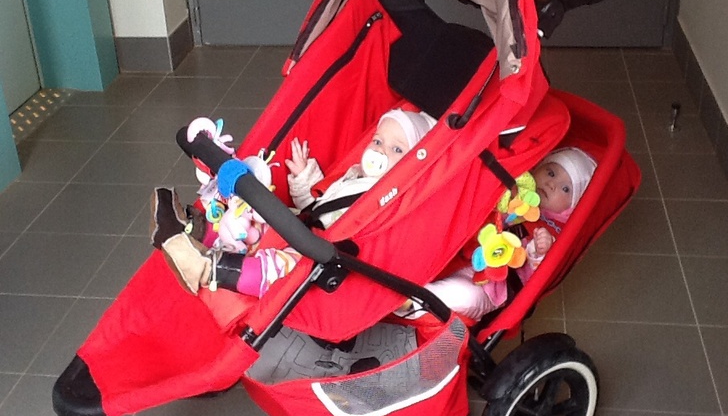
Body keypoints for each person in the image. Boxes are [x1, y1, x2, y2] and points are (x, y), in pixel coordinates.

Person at [153, 108, 436, 297]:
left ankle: (211, 270)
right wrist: (304, 177)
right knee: (256, 216)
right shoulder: (356, 176)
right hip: (306, 230)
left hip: (328, 257)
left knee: (281, 267)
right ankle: (198, 231)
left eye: (397, 149)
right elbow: (320, 205)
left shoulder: (397, 201)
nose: (381, 151)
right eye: (377, 141)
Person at [398, 146, 596, 321]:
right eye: (550, 173)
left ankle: (412, 301)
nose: (551, 184)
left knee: (466, 297)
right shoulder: (514, 190)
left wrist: (539, 251)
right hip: (464, 251)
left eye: (565, 189)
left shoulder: (552, 233)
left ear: (572, 206)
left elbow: (536, 274)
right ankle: (399, 274)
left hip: (492, 286)